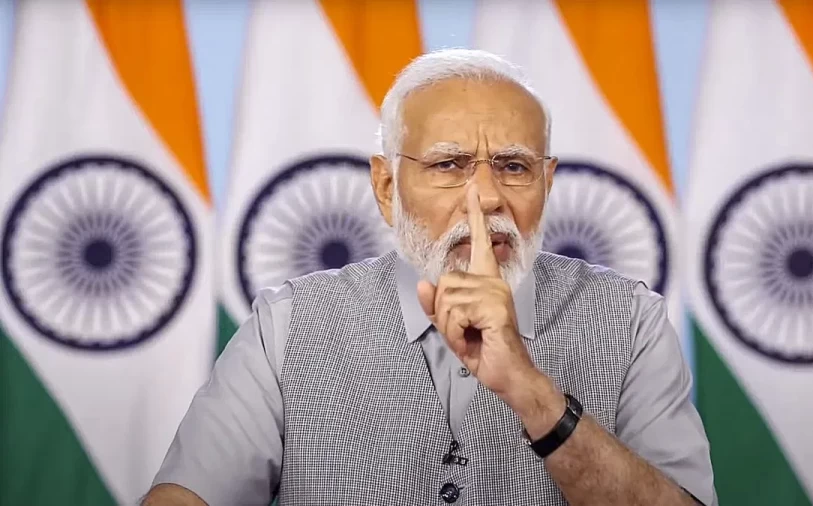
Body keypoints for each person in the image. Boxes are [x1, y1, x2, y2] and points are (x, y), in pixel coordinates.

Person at [143, 49, 717, 506]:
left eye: (514, 166)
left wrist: (531, 392)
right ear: (386, 187)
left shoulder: (630, 321)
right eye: (449, 165)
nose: (486, 196)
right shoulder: (289, 326)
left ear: (547, 183)